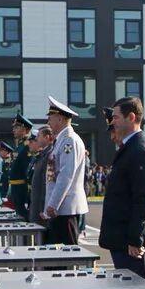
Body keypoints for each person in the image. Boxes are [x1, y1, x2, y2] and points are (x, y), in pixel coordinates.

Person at [99, 96, 145, 289]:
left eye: (115, 117)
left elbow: (143, 199)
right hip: (123, 240)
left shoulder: (140, 151)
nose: (112, 121)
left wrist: (135, 238)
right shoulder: (130, 148)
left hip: (130, 244)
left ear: (131, 117)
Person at [42, 96, 88, 244]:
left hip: (65, 209)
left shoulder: (69, 140)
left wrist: (53, 204)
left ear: (60, 119)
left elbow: (65, 175)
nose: (48, 121)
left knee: (65, 256)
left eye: (51, 117)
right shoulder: (61, 140)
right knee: (56, 258)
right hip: (59, 210)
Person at [7, 113, 34, 213]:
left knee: (23, 217)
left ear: (24, 129)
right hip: (16, 188)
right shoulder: (20, 146)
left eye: (16, 127)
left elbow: (27, 171)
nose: (13, 130)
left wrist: (27, 193)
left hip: (22, 189)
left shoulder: (27, 146)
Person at [28, 125, 55, 226]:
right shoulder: (43, 154)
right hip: (37, 205)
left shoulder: (49, 155)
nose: (36, 138)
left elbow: (47, 184)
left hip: (41, 207)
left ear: (47, 137)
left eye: (39, 136)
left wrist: (43, 207)